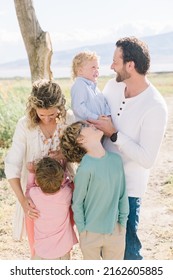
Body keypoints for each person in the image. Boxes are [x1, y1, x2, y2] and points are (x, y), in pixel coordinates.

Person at [88, 36, 168, 260]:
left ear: (130, 65)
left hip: (128, 190)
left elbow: (147, 159)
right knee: (103, 249)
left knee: (128, 252)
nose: (111, 66)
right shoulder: (112, 86)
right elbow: (96, 119)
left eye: (115, 61)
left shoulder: (155, 106)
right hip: (101, 183)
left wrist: (114, 134)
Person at [4, 79, 75, 257]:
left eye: (52, 114)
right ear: (33, 108)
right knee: (38, 247)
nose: (47, 119)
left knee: (63, 244)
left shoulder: (69, 120)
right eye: (42, 115)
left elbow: (82, 153)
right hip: (35, 199)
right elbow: (12, 165)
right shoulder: (25, 125)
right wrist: (23, 201)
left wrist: (64, 155)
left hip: (63, 195)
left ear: (60, 105)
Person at [60, 121, 129, 260]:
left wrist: (122, 224)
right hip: (90, 234)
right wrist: (83, 232)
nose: (92, 125)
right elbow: (77, 203)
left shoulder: (116, 160)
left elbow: (122, 195)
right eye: (86, 127)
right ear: (80, 139)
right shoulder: (85, 168)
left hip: (115, 231)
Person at [25, 156, 77, 260]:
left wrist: (31, 173)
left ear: (37, 182)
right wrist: (63, 169)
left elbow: (28, 189)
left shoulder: (34, 195)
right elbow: (68, 183)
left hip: (42, 251)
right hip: (63, 250)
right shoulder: (66, 193)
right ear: (61, 178)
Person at [71, 50, 111, 121]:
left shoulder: (95, 88)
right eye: (93, 67)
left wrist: (107, 115)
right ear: (80, 71)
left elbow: (104, 103)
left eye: (97, 68)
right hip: (88, 126)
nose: (97, 70)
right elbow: (78, 108)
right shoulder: (79, 85)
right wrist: (96, 117)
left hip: (100, 125)